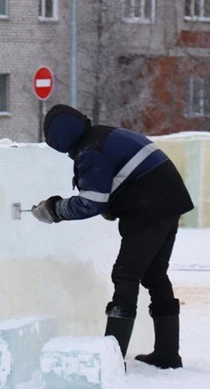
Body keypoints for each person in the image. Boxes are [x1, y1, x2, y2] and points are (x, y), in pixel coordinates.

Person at [31, 104, 194, 369]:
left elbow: (90, 202)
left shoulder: (89, 152)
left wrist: (54, 210)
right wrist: (112, 205)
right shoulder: (102, 135)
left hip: (149, 207)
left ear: (58, 141)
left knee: (125, 275)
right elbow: (121, 177)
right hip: (168, 200)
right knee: (154, 275)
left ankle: (112, 362)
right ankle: (167, 354)